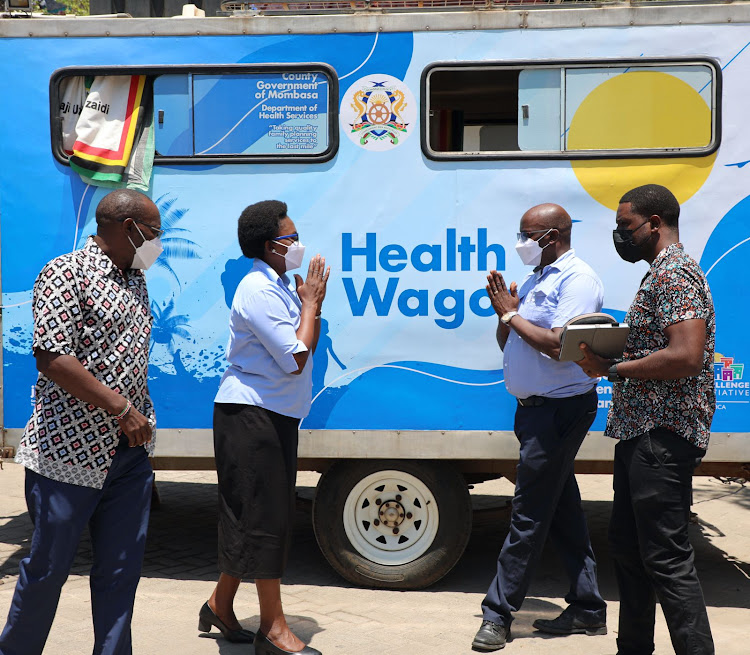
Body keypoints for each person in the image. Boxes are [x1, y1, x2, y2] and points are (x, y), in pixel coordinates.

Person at [0, 189, 162, 655]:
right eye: (152, 234)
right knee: (47, 569)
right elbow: (53, 359)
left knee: (120, 572)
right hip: (65, 456)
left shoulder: (135, 279)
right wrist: (122, 408)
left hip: (127, 458)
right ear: (127, 227)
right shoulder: (65, 273)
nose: (157, 244)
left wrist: (139, 416)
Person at [576, 184, 715, 655]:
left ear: (654, 223)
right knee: (630, 552)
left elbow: (687, 355)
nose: (621, 236)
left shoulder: (674, 274)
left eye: (625, 227)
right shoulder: (659, 273)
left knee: (667, 560)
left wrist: (612, 368)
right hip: (642, 434)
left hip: (662, 436)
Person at [471, 203, 607, 652]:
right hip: (533, 411)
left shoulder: (578, 280)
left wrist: (513, 315)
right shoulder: (536, 279)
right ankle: (587, 608)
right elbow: (510, 339)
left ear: (552, 236)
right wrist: (504, 316)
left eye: (527, 235)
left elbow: (561, 345)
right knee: (561, 506)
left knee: (528, 513)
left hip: (560, 411)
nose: (521, 242)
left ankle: (498, 614)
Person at [199, 200, 328, 655]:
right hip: (251, 416)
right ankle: (272, 628)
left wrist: (307, 303)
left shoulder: (276, 286)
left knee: (250, 513)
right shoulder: (257, 289)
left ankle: (220, 603)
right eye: (291, 239)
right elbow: (295, 357)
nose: (298, 245)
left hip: (272, 414)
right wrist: (311, 303)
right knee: (266, 518)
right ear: (271, 246)